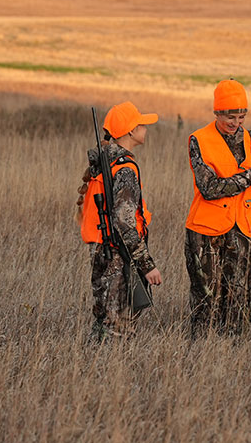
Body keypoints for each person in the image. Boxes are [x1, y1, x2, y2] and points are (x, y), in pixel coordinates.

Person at [184, 79, 251, 338]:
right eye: (230, 116)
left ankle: (234, 359)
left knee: (240, 300)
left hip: (245, 230)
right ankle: (200, 354)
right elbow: (209, 188)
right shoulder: (199, 139)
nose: (236, 123)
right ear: (217, 112)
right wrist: (249, 177)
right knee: (206, 300)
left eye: (241, 116)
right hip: (207, 232)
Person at [77, 101, 163, 342]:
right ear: (130, 132)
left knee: (104, 321)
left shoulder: (105, 166)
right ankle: (111, 376)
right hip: (117, 255)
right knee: (119, 329)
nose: (146, 128)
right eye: (141, 125)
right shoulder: (124, 169)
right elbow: (124, 222)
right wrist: (147, 265)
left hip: (101, 252)